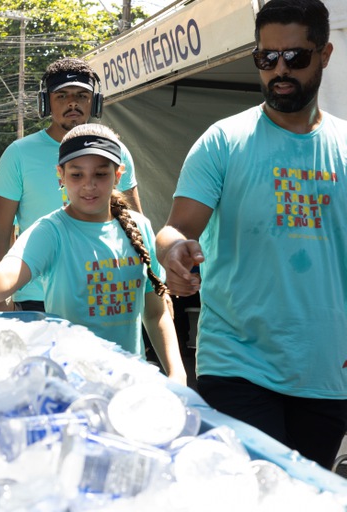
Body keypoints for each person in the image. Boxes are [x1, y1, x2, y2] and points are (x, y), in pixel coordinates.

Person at [155, 0, 345, 469]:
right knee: (253, 490)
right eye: (266, 57)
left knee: (303, 495)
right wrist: (174, 252)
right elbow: (176, 227)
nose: (280, 70)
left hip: (326, 371)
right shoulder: (223, 140)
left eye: (295, 57)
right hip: (236, 363)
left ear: (325, 55)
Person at [0, 124, 186, 383]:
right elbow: (8, 273)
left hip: (130, 384)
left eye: (100, 174)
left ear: (118, 174)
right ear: (61, 176)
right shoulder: (51, 231)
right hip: (72, 385)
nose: (89, 185)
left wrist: (177, 371)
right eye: (77, 175)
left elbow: (155, 313)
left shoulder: (139, 227)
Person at [0, 57, 142, 313]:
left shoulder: (116, 151)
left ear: (94, 102)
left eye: (82, 95)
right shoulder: (18, 154)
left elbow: (133, 223)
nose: (72, 103)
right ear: (46, 102)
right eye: (62, 96)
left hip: (103, 294)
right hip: (36, 299)